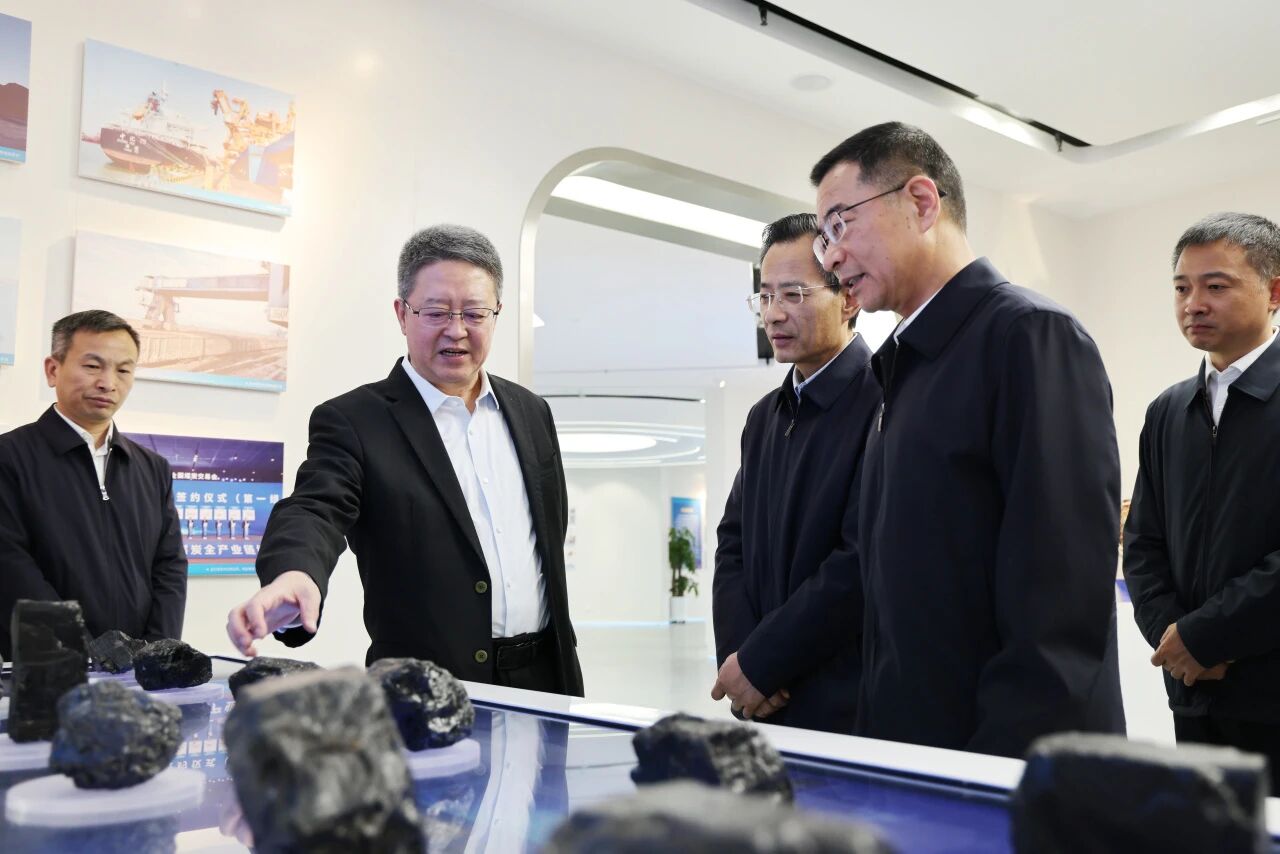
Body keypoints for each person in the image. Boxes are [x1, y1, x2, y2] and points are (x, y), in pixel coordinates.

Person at [812, 121, 1124, 757]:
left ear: (921, 202)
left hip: (998, 763)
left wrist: (992, 776)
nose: (831, 257)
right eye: (823, 238)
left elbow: (1060, 606)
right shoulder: (904, 367)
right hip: (916, 750)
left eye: (840, 224)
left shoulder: (1030, 337)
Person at [226, 224, 583, 695]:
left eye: (475, 313)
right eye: (436, 312)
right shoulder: (355, 420)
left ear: (496, 313)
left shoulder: (531, 412)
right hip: (422, 687)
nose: (457, 330)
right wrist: (296, 574)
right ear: (402, 314)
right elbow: (315, 508)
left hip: (547, 678)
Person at [1123, 212, 1280, 789]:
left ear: (1275, 293)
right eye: (1181, 288)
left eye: (1216, 286)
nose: (1194, 304)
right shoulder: (1168, 411)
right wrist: (1175, 639)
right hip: (1192, 690)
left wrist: (1208, 636)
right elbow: (1142, 543)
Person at [710, 213, 878, 732]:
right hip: (766, 703)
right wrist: (742, 659)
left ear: (848, 298)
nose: (773, 314)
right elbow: (733, 543)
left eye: (793, 294)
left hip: (848, 703)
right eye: (764, 297)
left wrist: (764, 662)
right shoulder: (764, 416)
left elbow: (860, 561)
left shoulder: (887, 400)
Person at [0, 310, 187, 657]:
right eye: (92, 366)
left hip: (139, 671)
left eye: (123, 370)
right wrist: (84, 654)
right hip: (46, 666)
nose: (108, 382)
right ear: (52, 369)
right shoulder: (10, 457)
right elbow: (10, 566)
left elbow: (169, 568)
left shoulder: (152, 468)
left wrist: (156, 653)